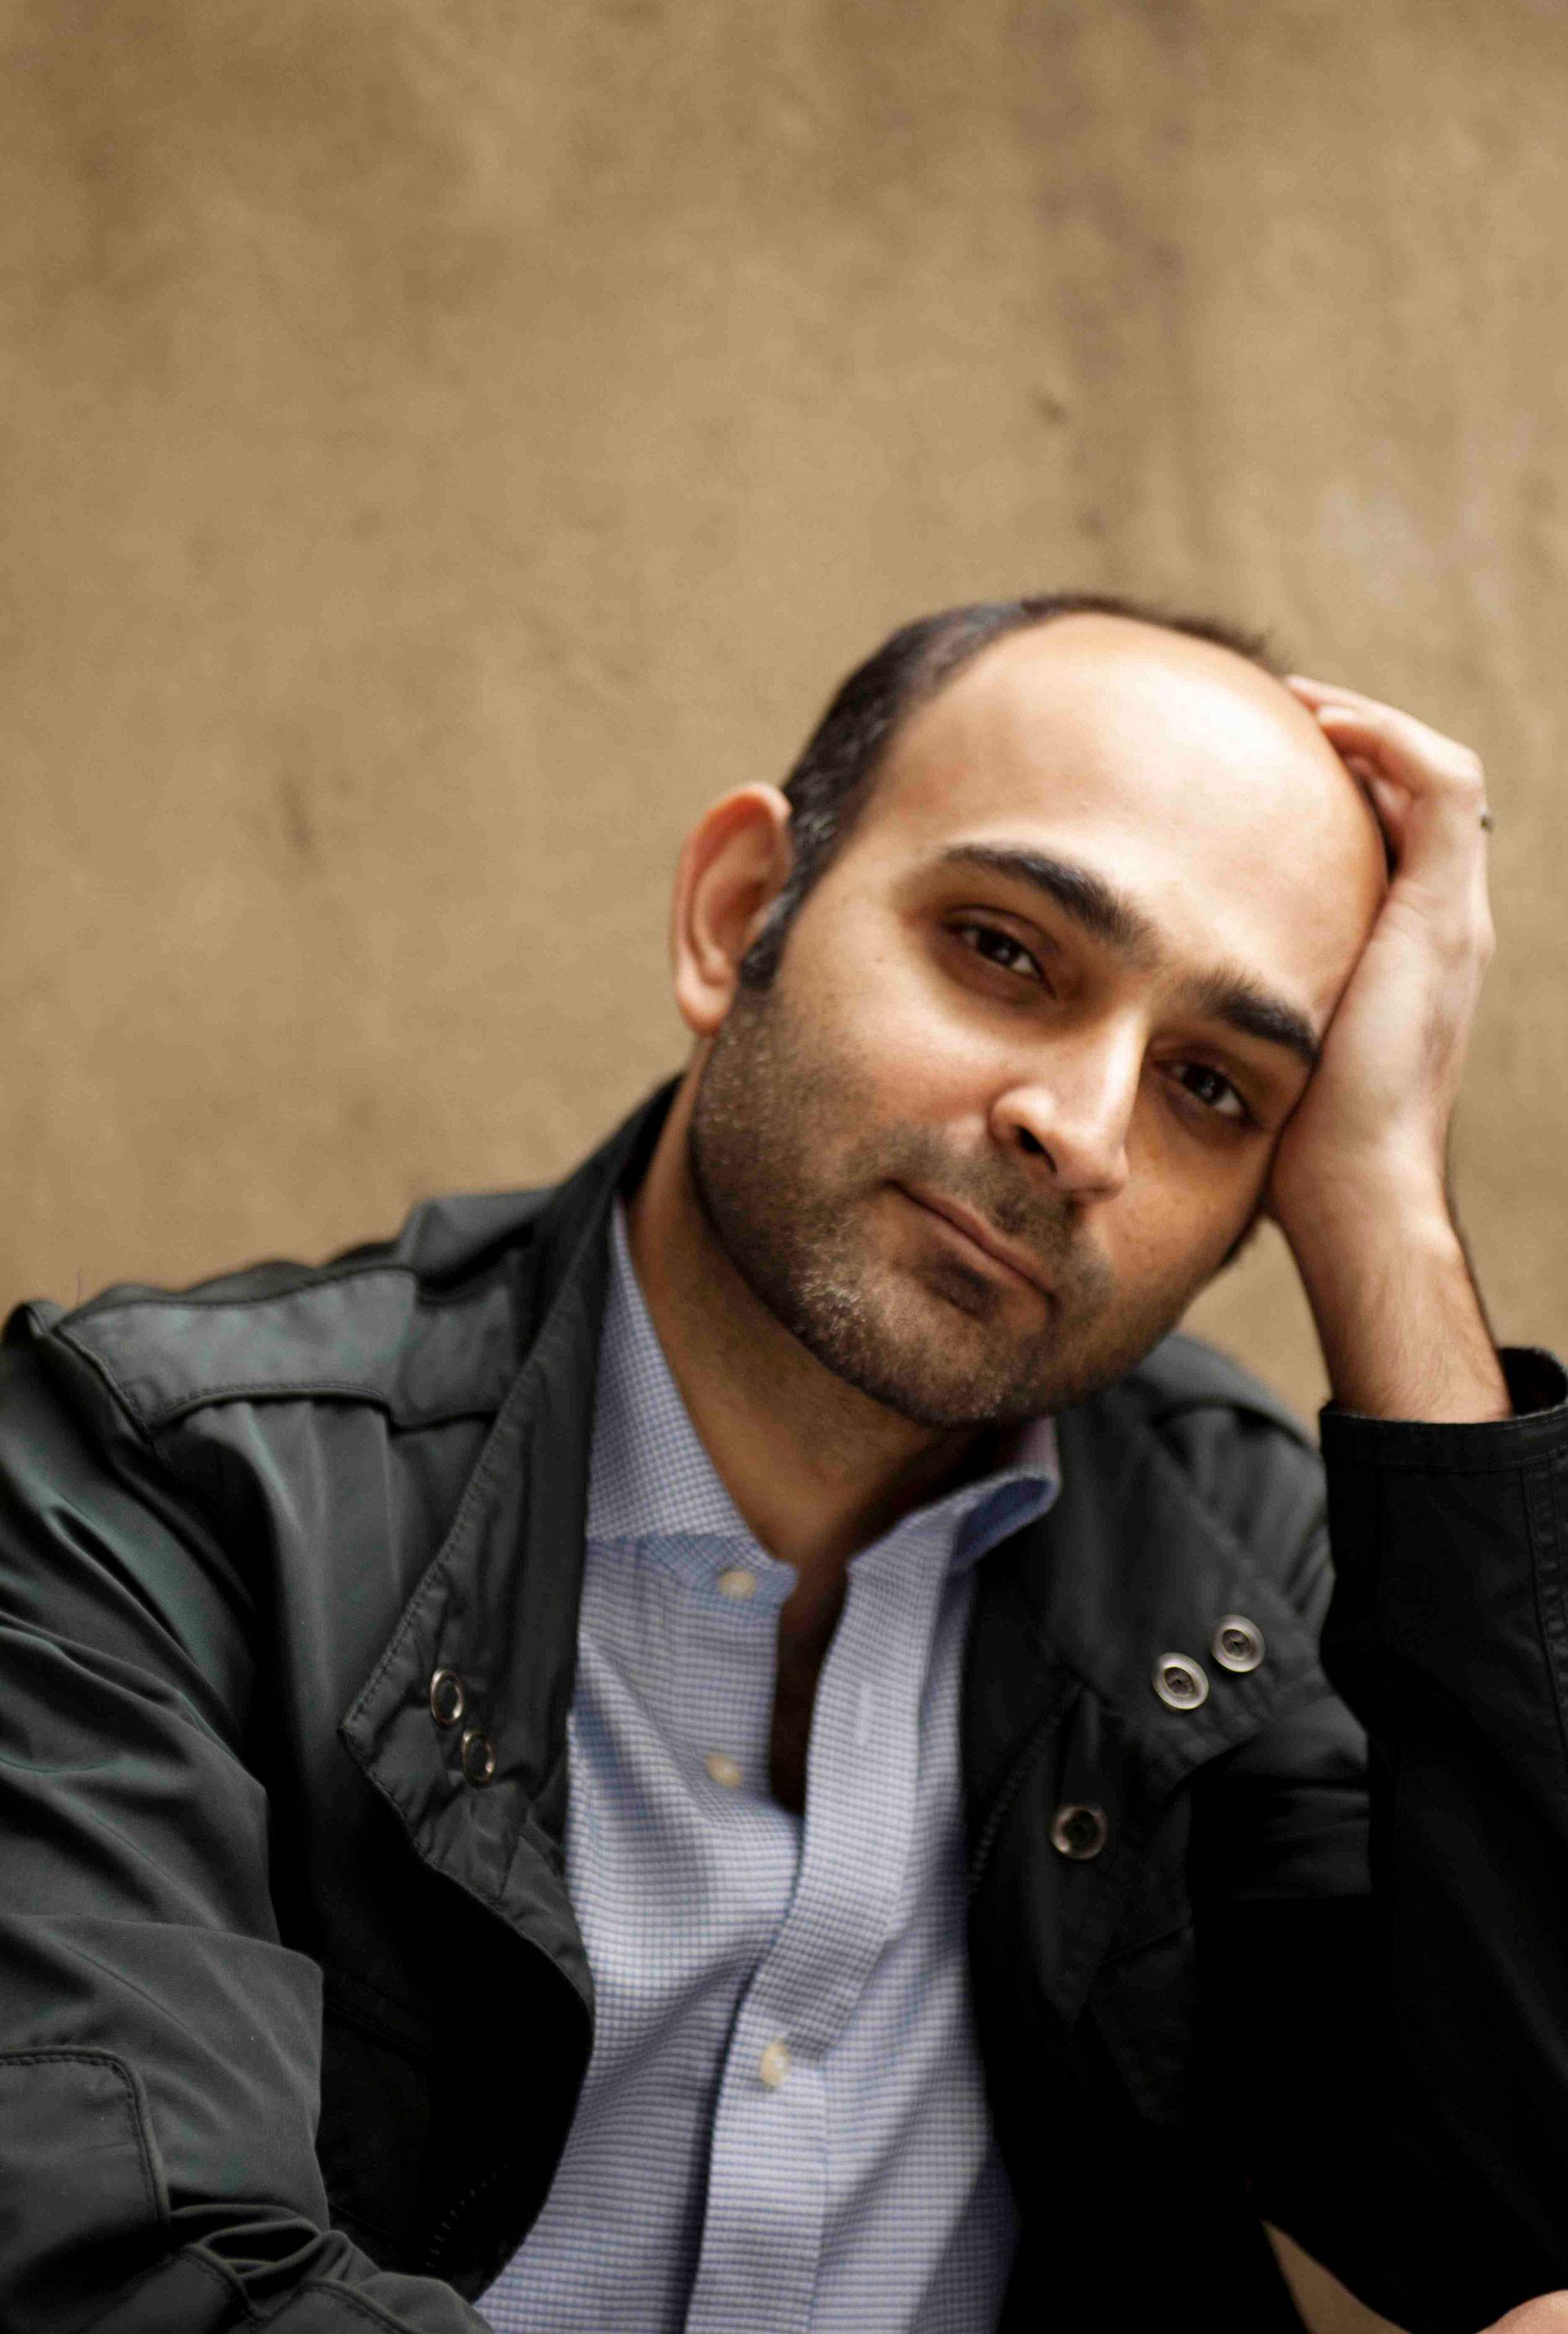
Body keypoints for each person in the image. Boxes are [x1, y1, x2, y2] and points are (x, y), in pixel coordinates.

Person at [2, 593, 1566, 2334]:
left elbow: (1522, 2212)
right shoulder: (162, 1488)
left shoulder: (1220, 1551)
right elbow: (136, 2283)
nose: (1084, 1132)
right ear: (740, 912)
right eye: (1004, 951)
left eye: (1214, 1089)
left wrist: (1387, 1218)